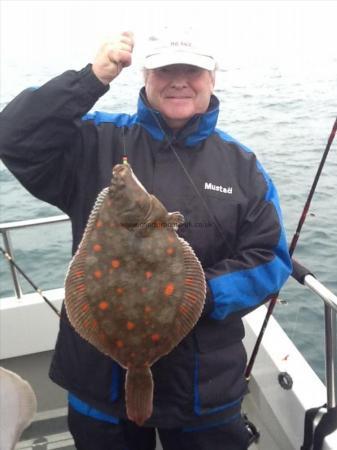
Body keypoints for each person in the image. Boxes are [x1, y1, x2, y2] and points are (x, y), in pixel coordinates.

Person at [0, 30, 292, 450]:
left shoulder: (242, 166)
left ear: (212, 78)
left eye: (191, 70)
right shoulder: (95, 140)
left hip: (203, 390)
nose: (178, 80)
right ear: (144, 76)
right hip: (98, 383)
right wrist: (92, 78)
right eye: (164, 70)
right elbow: (13, 135)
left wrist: (197, 297)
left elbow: (270, 259)